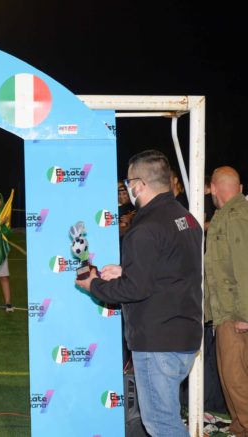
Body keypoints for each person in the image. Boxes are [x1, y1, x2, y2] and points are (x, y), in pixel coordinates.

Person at [76, 150, 202, 437]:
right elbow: (171, 269)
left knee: (160, 423)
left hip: (158, 340)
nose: (127, 189)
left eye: (128, 183)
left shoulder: (145, 228)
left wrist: (93, 284)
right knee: (166, 418)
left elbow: (134, 289)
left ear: (139, 185)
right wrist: (126, 270)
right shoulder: (186, 218)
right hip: (184, 333)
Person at [205, 165, 248, 436]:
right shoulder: (226, 216)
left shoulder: (236, 217)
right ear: (239, 188)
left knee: (235, 379)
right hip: (227, 313)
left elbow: (244, 266)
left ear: (212, 188)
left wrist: (245, 315)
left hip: (236, 314)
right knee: (230, 378)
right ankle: (240, 428)